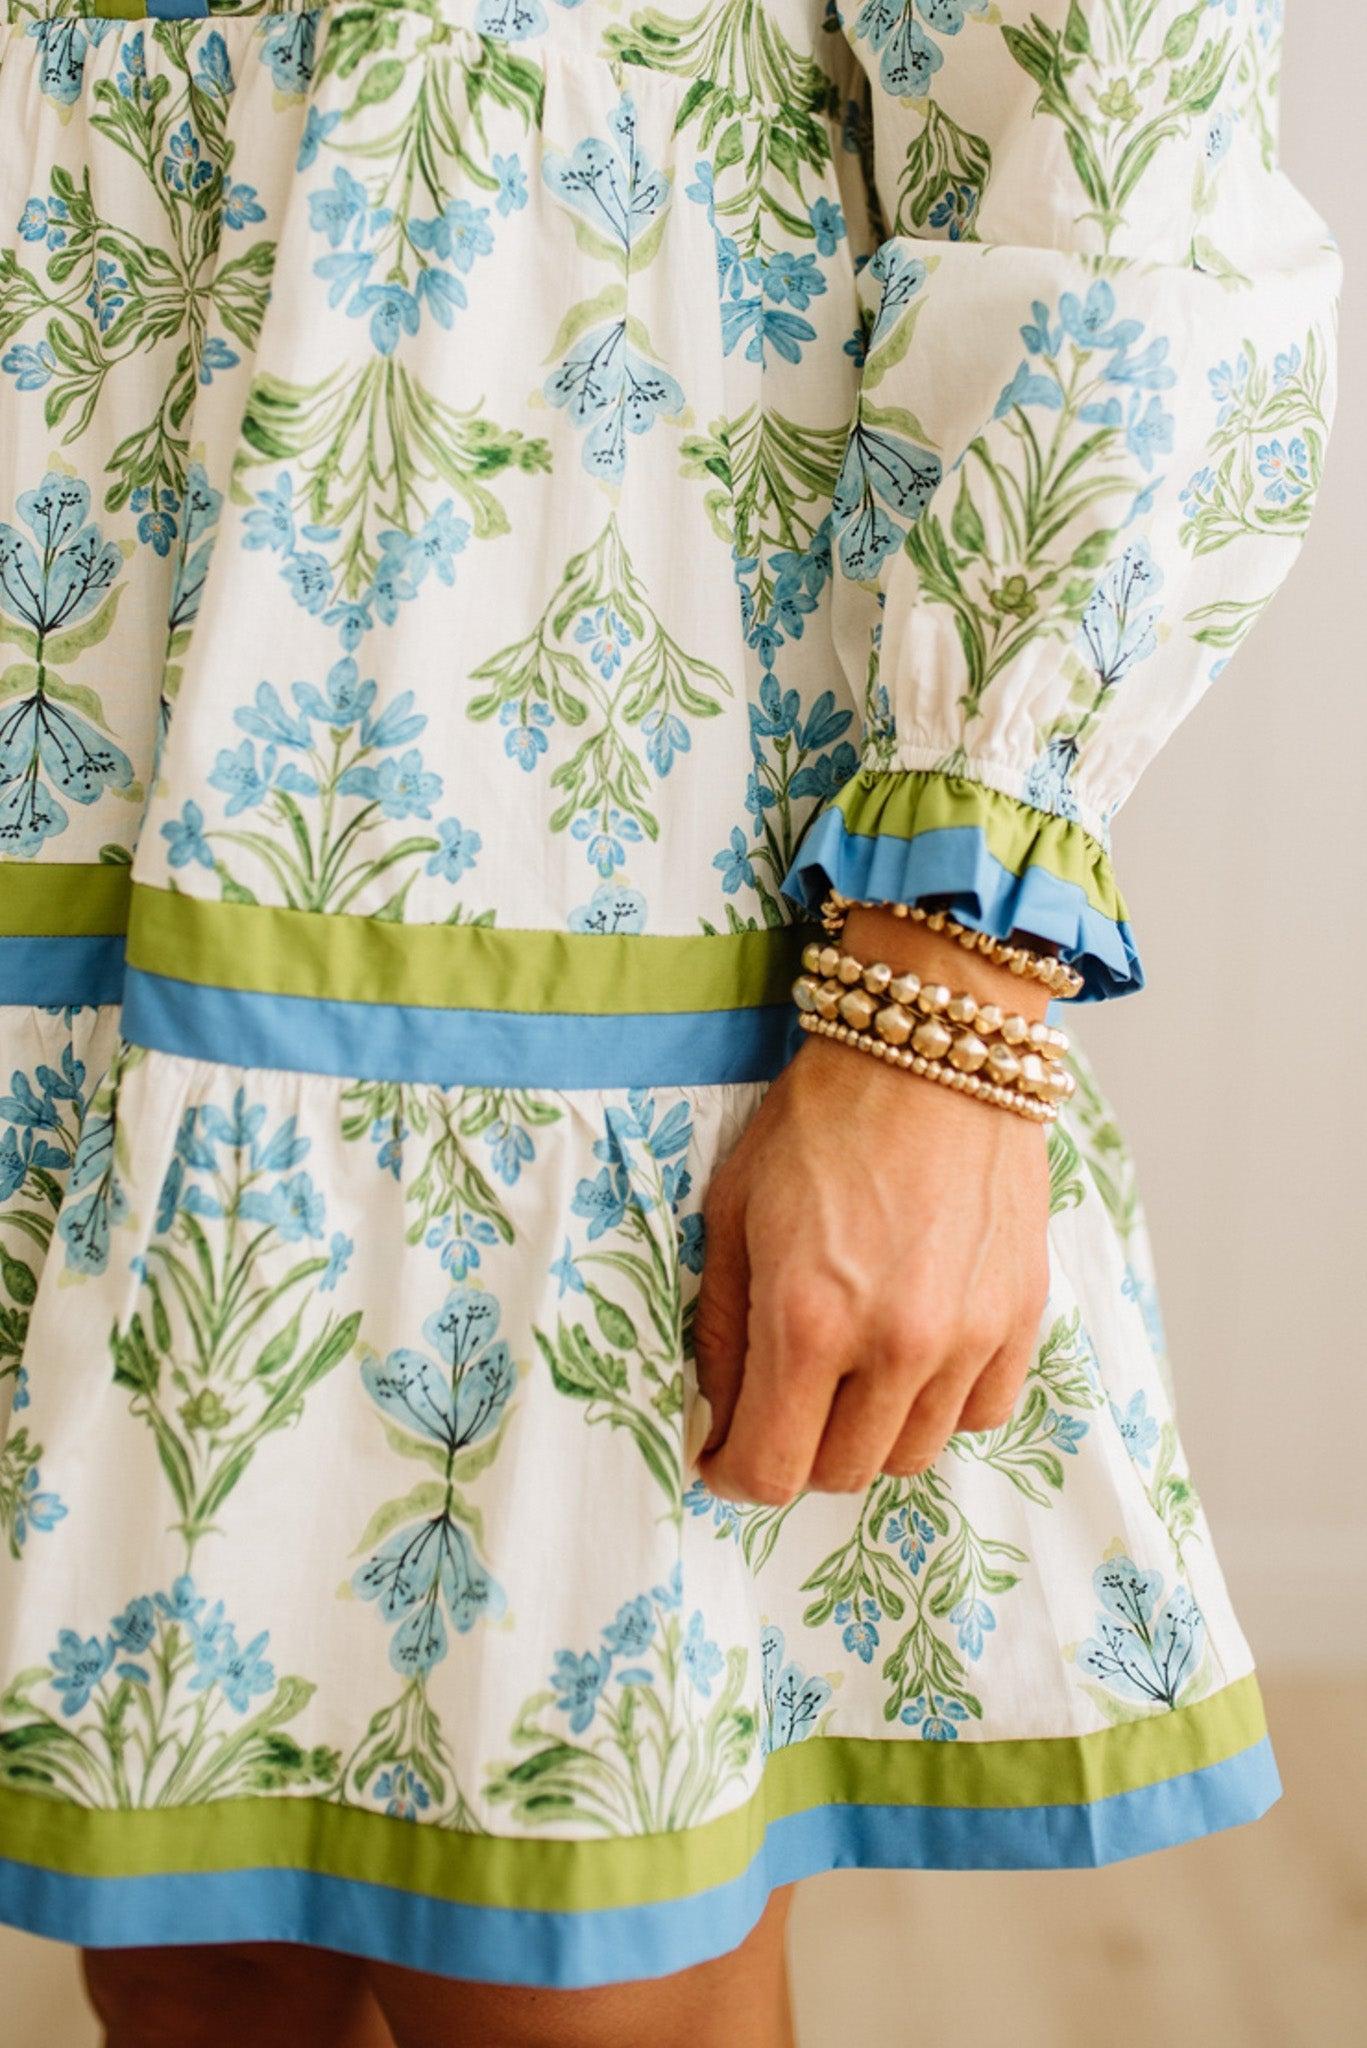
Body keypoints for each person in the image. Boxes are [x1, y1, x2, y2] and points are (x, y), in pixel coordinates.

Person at [0, 2, 1340, 2043]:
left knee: (582, 1965)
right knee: (189, 1931)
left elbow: (1112, 150)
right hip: (74, 801)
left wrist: (939, 999)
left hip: (572, 830)